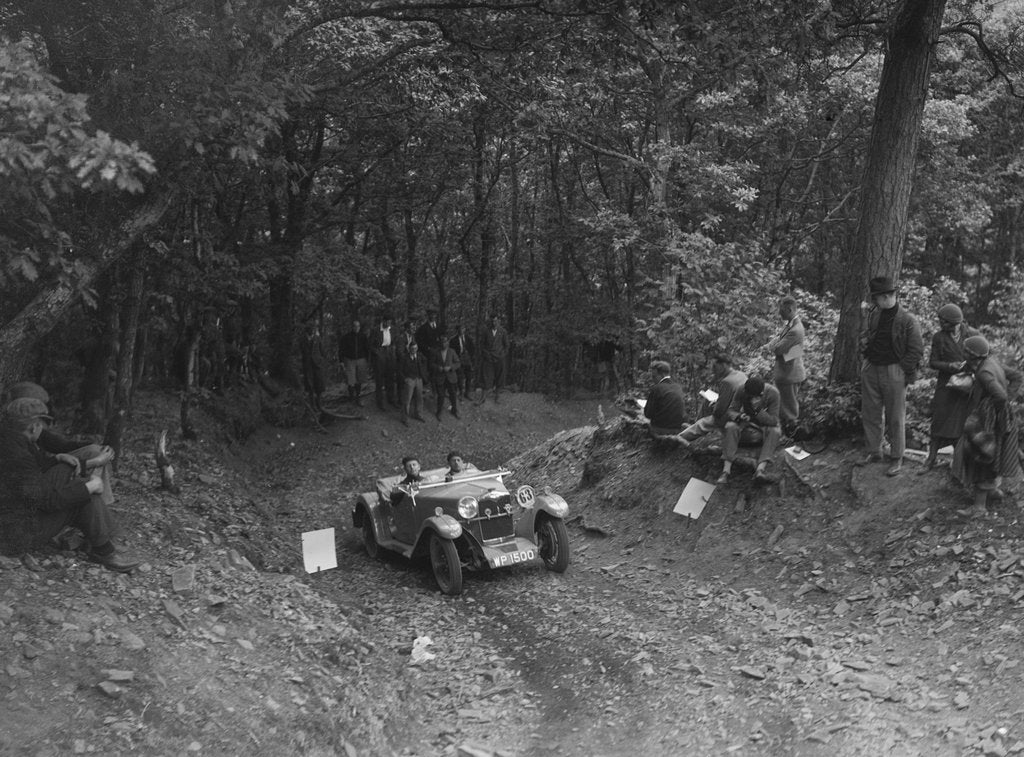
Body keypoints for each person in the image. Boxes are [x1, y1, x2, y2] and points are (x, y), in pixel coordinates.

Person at [0, 398, 141, 571]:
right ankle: (103, 548)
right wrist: (88, 487)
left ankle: (103, 544)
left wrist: (57, 458)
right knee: (82, 496)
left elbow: (35, 470)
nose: (43, 430)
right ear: (33, 426)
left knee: (73, 478)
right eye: (42, 425)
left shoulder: (10, 440)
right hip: (14, 537)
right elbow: (46, 501)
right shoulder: (19, 455)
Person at [5, 382, 116, 506]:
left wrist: (99, 446)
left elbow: (62, 445)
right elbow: (41, 471)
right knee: (93, 458)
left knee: (96, 451)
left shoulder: (34, 431)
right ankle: (95, 505)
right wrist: (95, 462)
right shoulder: (16, 439)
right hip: (40, 490)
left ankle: (102, 505)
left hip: (46, 472)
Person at [856, 275, 923, 477]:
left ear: (886, 296)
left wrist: (901, 369)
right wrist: (864, 347)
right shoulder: (876, 315)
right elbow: (868, 335)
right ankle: (874, 451)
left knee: (895, 416)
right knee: (870, 412)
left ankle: (896, 457)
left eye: (877, 298)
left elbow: (916, 350)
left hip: (894, 370)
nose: (875, 301)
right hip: (872, 368)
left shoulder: (908, 320)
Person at [951, 335, 1023, 511]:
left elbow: (1000, 395)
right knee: (995, 452)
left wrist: (994, 409)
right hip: (998, 418)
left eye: (965, 350)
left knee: (981, 455)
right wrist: (1007, 405)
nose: (963, 352)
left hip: (988, 419)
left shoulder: (984, 372)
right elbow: (1017, 376)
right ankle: (993, 491)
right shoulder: (991, 361)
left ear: (971, 354)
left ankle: (978, 507)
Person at [920, 304, 979, 473]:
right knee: (939, 420)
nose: (940, 324)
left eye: (944, 322)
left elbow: (984, 355)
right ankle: (931, 459)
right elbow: (933, 362)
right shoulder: (939, 337)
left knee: (962, 423)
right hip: (946, 384)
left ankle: (959, 462)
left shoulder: (972, 334)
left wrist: (971, 368)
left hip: (966, 386)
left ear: (955, 322)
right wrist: (949, 365)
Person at [719, 377, 782, 484]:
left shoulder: (773, 393)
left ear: (761, 394)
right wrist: (739, 416)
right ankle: (726, 470)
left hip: (763, 424)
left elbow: (774, 420)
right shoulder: (741, 389)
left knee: (775, 431)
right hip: (745, 423)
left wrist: (758, 410)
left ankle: (760, 469)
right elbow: (731, 410)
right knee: (730, 426)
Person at [680, 353, 748, 446]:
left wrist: (715, 406)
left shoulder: (727, 382)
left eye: (715, 367)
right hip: (740, 410)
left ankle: (678, 438)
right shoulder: (741, 374)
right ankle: (693, 427)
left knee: (704, 423)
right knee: (707, 401)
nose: (713, 370)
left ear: (723, 365)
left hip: (731, 416)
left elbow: (719, 412)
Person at [766, 295, 806, 431]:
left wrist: (775, 347)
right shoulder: (790, 325)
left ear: (789, 309)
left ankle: (792, 432)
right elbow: (779, 343)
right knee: (781, 403)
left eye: (781, 310)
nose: (779, 313)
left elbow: (777, 349)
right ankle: (785, 431)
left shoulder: (795, 330)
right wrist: (777, 346)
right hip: (785, 371)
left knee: (789, 407)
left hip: (790, 373)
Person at [643, 361, 685, 438]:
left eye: (654, 376)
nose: (653, 379)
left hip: (660, 429)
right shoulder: (678, 387)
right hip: (677, 429)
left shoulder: (657, 389)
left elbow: (648, 414)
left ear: (662, 374)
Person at [338, 319, 371, 406]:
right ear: (352, 327)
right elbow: (341, 350)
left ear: (360, 327)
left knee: (359, 379)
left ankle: (358, 397)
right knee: (351, 380)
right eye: (355, 326)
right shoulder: (346, 337)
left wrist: (368, 360)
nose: (356, 328)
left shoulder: (363, 337)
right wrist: (341, 361)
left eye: (358, 326)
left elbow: (367, 348)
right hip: (349, 360)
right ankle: (351, 397)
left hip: (361, 360)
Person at [369, 316, 399, 410]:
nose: (388, 325)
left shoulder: (393, 329)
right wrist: (377, 353)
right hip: (380, 352)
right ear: (383, 321)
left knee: (390, 377)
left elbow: (395, 340)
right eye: (387, 322)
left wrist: (393, 348)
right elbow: (370, 344)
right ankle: (380, 402)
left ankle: (391, 399)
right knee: (379, 378)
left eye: (390, 322)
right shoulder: (375, 330)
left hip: (390, 352)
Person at [479, 314, 510, 403]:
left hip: (499, 358)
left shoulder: (503, 331)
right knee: (485, 376)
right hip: (488, 358)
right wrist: (486, 354)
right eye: (492, 321)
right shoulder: (486, 331)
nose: (494, 323)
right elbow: (482, 345)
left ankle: (497, 396)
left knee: (499, 377)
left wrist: (502, 355)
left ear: (498, 321)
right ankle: (483, 397)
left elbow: (507, 345)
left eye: (495, 321)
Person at [397, 342, 430, 425]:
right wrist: (405, 379)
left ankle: (418, 414)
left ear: (417, 348)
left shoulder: (419, 355)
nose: (414, 350)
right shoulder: (404, 357)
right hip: (409, 380)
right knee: (407, 400)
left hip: (418, 379)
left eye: (415, 348)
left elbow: (425, 361)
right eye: (412, 349)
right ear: (409, 349)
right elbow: (399, 370)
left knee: (419, 398)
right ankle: (405, 418)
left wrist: (423, 373)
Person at [432, 334, 461, 421]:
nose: (443, 344)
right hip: (440, 378)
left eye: (445, 341)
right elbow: (431, 364)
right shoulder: (436, 352)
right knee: (440, 396)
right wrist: (438, 367)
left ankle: (454, 410)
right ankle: (439, 412)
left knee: (453, 395)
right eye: (442, 342)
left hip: (451, 377)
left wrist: (451, 367)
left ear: (448, 342)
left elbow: (458, 363)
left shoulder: (452, 351)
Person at [299, 323, 327, 413]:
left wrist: (321, 360)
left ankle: (319, 404)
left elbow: (322, 351)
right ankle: (312, 405)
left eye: (312, 330)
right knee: (310, 386)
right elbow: (301, 352)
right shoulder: (302, 340)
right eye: (309, 330)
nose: (311, 332)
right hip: (308, 366)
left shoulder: (317, 338)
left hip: (317, 365)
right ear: (306, 332)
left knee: (319, 384)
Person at [450, 324, 475, 400]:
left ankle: (467, 392)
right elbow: (452, 351)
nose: (461, 330)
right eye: (460, 329)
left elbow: (473, 349)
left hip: (467, 359)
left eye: (463, 328)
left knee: (469, 376)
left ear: (465, 329)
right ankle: (461, 392)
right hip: (459, 359)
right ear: (457, 330)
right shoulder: (453, 340)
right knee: (460, 376)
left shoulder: (468, 338)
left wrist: (471, 358)